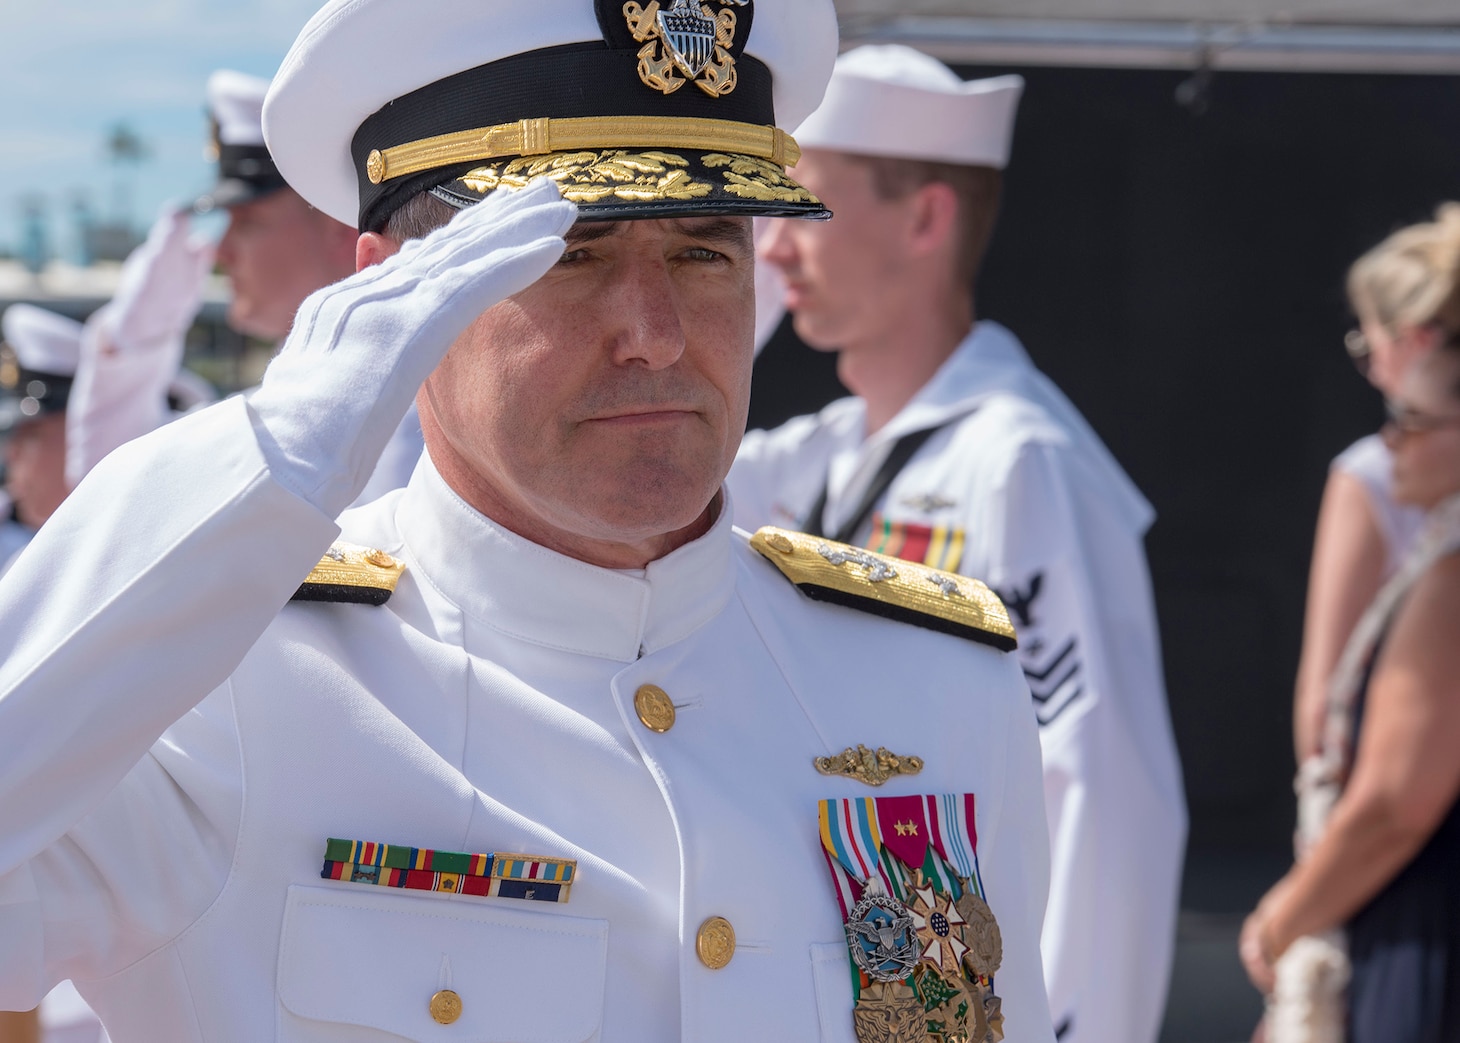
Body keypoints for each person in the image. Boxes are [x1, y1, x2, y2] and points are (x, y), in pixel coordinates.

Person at [0, 3, 1058, 1041]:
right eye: (570, 253)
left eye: (703, 250)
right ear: (392, 294)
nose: (654, 335)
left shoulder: (933, 676)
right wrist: (265, 457)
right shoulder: (220, 687)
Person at [728, 44, 1187, 1043]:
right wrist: (731, 306)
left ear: (925, 217)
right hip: (839, 961)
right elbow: (639, 501)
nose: (769, 247)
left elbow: (1107, 792)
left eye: (801, 208)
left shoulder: (1023, 459)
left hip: (955, 975)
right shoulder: (817, 457)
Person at [1241, 335, 1460, 1042]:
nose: (1391, 441)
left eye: (1415, 418)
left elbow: (1395, 805)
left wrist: (1280, 922)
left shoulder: (1452, 585)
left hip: (1424, 947)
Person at [200, 68, 423, 503]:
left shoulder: (408, 426)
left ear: (340, 230)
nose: (219, 252)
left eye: (246, 223)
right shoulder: (255, 416)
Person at [1291, 206, 1460, 764]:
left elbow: (1324, 707)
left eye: (1367, 345)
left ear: (1411, 342)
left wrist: (1325, 846)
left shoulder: (1370, 477)